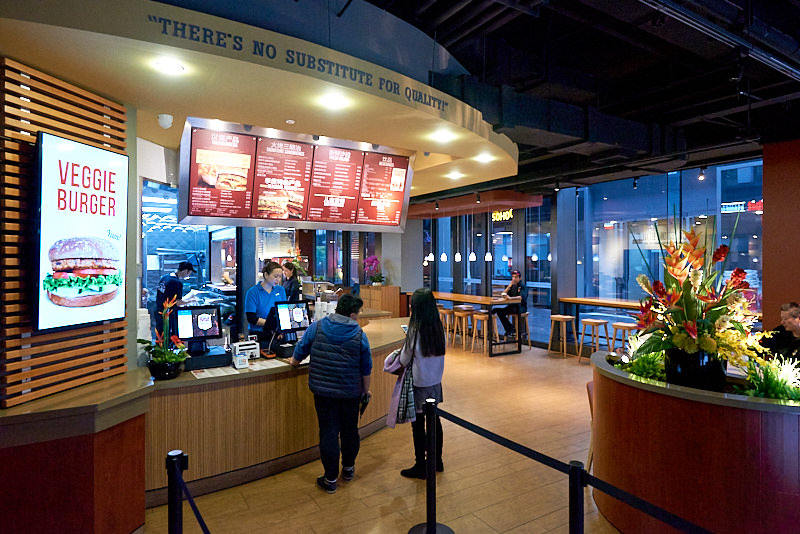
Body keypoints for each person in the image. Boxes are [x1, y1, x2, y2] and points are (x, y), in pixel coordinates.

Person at [289, 294, 372, 494]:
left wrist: (294, 362)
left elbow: (300, 351)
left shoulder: (317, 327)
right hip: (350, 391)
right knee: (350, 431)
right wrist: (365, 391)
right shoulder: (359, 335)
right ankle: (349, 469)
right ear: (352, 314)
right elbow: (366, 368)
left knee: (328, 432)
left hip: (323, 391)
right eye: (358, 313)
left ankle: (330, 479)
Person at [399, 288, 446, 479]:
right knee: (435, 421)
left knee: (418, 425)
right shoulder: (438, 326)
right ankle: (437, 461)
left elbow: (404, 359)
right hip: (436, 381)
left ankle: (420, 465)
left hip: (420, 383)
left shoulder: (414, 329)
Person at [245, 261, 287, 346]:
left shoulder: (280, 290)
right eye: (275, 276)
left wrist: (281, 330)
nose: (278, 280)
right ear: (266, 275)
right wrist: (272, 324)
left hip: (277, 334)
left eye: (280, 277)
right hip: (259, 334)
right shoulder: (253, 292)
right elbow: (251, 318)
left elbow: (284, 312)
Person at [154, 261, 195, 333]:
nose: (188, 275)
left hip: (159, 311)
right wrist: (192, 300)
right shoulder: (176, 283)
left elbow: (167, 296)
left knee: (160, 334)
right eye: (189, 273)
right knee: (167, 335)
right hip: (167, 314)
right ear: (185, 271)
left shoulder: (165, 277)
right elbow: (178, 303)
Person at [495, 269, 528, 340]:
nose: (514, 279)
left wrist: (510, 298)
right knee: (497, 310)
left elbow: (521, 297)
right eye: (513, 277)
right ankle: (510, 329)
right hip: (512, 306)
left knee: (502, 311)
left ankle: (511, 330)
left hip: (520, 307)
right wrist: (509, 286)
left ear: (520, 278)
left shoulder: (522, 286)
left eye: (516, 277)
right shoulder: (512, 286)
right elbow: (503, 294)